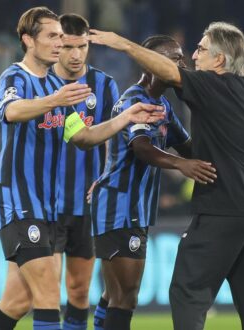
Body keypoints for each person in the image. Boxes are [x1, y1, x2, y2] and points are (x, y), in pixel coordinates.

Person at [0, 7, 165, 330]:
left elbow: (82, 137)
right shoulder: (14, 77)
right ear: (28, 40)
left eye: (61, 38)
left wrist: (126, 116)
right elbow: (13, 111)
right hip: (20, 201)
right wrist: (56, 100)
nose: (59, 44)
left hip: (49, 207)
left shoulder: (55, 85)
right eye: (53, 37)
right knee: (49, 294)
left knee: (16, 302)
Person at [90, 21, 244, 330]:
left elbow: (168, 73)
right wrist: (182, 161)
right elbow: (176, 145)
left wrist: (122, 43)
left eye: (201, 49)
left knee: (185, 291)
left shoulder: (209, 85)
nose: (192, 57)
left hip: (223, 208)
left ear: (219, 60)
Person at [90, 35, 217, 330]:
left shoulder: (162, 105)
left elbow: (188, 146)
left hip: (132, 209)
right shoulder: (133, 101)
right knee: (125, 298)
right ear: (152, 63)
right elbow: (142, 147)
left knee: (115, 295)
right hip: (118, 207)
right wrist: (181, 165)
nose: (181, 64)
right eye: (174, 59)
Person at [50, 13, 120, 330]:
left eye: (82, 46)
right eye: (68, 47)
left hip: (86, 205)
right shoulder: (38, 84)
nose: (76, 55)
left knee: (79, 292)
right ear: (55, 44)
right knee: (45, 295)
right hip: (46, 205)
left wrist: (106, 177)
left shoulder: (104, 86)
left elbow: (116, 142)